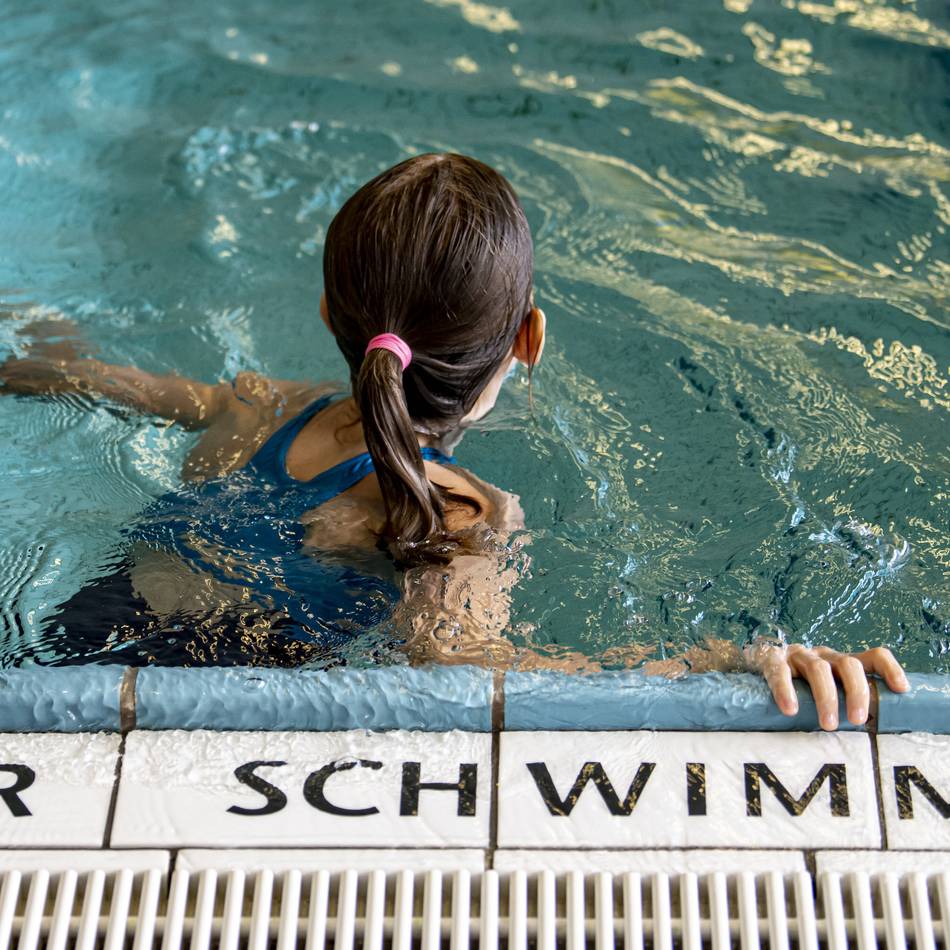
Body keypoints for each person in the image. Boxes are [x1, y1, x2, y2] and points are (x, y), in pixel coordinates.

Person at [0, 152, 908, 726]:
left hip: (64, 643)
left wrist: (39, 341)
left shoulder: (255, 406)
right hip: (206, 715)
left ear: (329, 315)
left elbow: (82, 377)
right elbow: (475, 672)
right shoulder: (467, 515)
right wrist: (740, 664)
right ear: (530, 338)